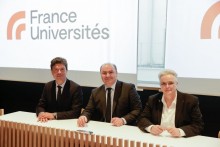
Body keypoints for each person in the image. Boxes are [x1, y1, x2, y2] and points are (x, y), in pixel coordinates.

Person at [137, 69, 204, 137]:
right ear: (160, 85)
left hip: (179, 140)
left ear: (176, 84)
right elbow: (142, 119)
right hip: (157, 138)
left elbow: (198, 125)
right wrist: (151, 128)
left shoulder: (190, 101)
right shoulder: (153, 99)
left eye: (170, 83)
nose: (167, 86)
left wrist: (180, 131)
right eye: (163, 84)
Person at [77, 63, 142, 127]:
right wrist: (84, 117)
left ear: (116, 73)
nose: (107, 75)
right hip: (104, 129)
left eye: (111, 72)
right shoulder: (95, 92)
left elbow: (137, 109)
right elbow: (88, 110)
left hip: (123, 128)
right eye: (104, 73)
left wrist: (123, 120)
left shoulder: (128, 88)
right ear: (101, 75)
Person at [36, 57, 83, 122]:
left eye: (62, 69)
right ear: (52, 72)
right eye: (56, 69)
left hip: (67, 124)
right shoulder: (48, 86)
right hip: (49, 123)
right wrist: (42, 114)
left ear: (66, 71)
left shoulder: (75, 88)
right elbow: (40, 106)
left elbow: (76, 112)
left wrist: (54, 115)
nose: (59, 72)